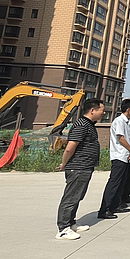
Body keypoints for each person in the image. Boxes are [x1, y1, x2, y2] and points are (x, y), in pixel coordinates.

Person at [54, 98, 105, 240]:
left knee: (77, 196)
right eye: (102, 110)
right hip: (78, 167)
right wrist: (64, 163)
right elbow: (70, 147)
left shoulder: (89, 125)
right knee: (70, 198)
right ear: (92, 110)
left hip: (85, 166)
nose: (103, 113)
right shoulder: (81, 125)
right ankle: (63, 229)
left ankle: (71, 223)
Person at [98, 99, 130, 219]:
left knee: (121, 182)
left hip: (125, 156)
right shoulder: (119, 121)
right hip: (119, 156)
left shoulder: (127, 122)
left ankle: (115, 205)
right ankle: (105, 209)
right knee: (114, 182)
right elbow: (121, 138)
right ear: (128, 109)